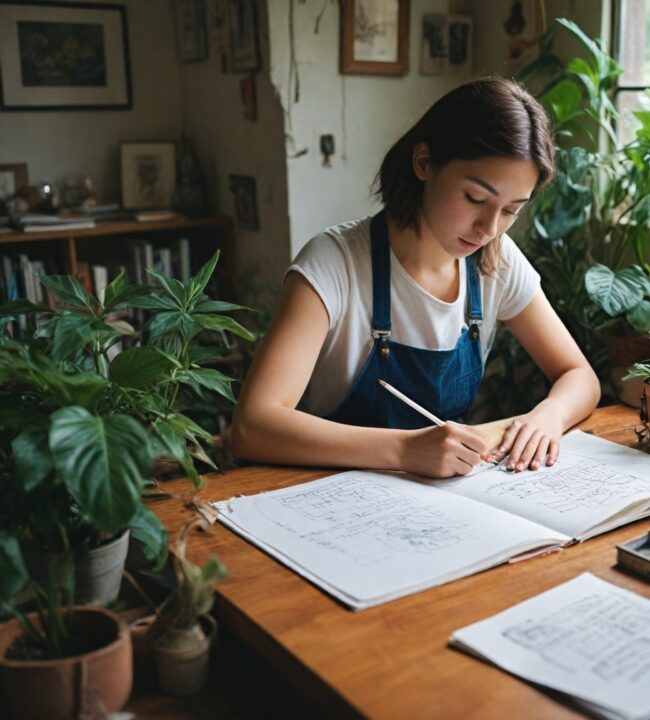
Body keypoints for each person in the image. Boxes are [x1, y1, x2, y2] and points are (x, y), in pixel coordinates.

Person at [230, 77, 600, 479]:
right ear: (424, 163)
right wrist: (406, 450)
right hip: (333, 498)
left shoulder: (495, 262)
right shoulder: (334, 264)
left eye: (511, 209)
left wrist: (549, 415)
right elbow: (253, 425)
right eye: (475, 198)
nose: (489, 228)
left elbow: (579, 376)